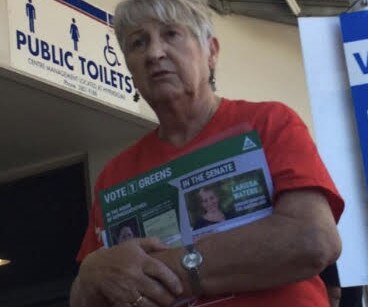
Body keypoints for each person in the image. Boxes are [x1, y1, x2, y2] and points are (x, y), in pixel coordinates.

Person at [69, 0, 343, 306]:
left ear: (211, 52)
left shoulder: (269, 123)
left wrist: (167, 269)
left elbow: (312, 240)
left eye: (171, 34)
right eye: (138, 43)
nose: (154, 53)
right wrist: (91, 273)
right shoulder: (114, 175)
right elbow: (87, 295)